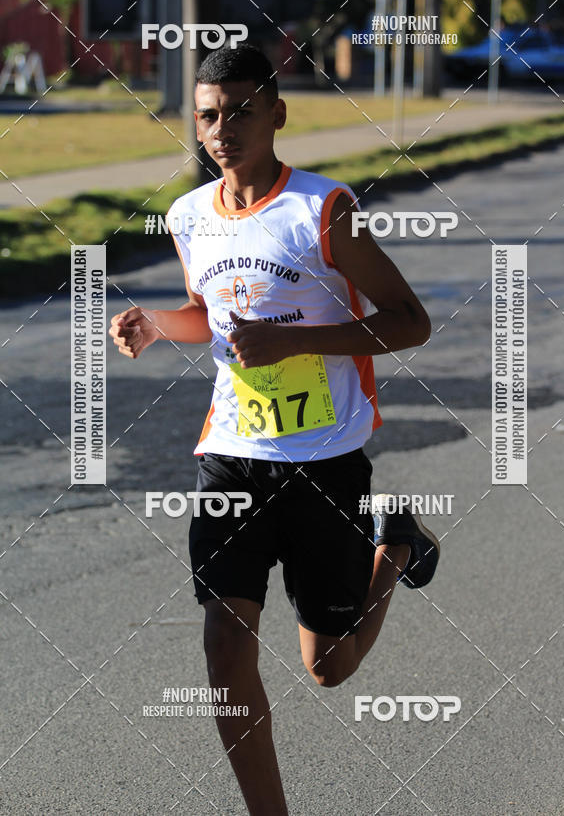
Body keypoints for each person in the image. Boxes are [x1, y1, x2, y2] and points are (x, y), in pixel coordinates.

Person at [110, 43, 440, 816]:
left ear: (277, 115)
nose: (222, 129)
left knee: (328, 667)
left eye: (241, 111)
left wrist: (294, 341)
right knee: (224, 648)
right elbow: (208, 316)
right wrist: (159, 324)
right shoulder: (188, 214)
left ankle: (394, 551)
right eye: (208, 115)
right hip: (231, 455)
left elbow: (410, 321)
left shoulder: (321, 210)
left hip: (325, 462)